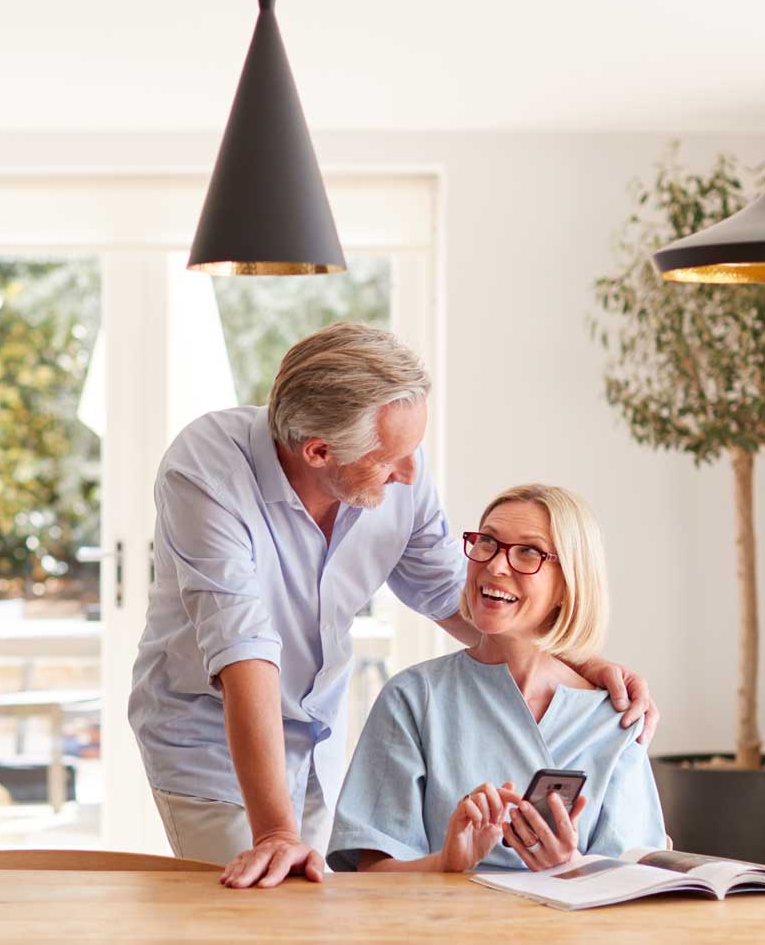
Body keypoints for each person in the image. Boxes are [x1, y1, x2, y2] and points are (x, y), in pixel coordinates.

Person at [129, 324, 658, 891]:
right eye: (390, 460)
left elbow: (456, 593)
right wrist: (276, 833)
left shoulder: (397, 461)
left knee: (311, 923)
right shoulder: (207, 473)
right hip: (214, 741)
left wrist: (575, 661)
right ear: (319, 451)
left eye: (413, 451)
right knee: (254, 912)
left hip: (316, 733)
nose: (410, 473)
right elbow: (244, 651)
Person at [326, 482, 747, 945]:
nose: (495, 565)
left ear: (566, 582)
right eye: (486, 542)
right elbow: (362, 882)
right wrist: (447, 863)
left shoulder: (614, 720)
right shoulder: (414, 700)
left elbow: (648, 893)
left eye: (528, 554)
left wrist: (572, 871)